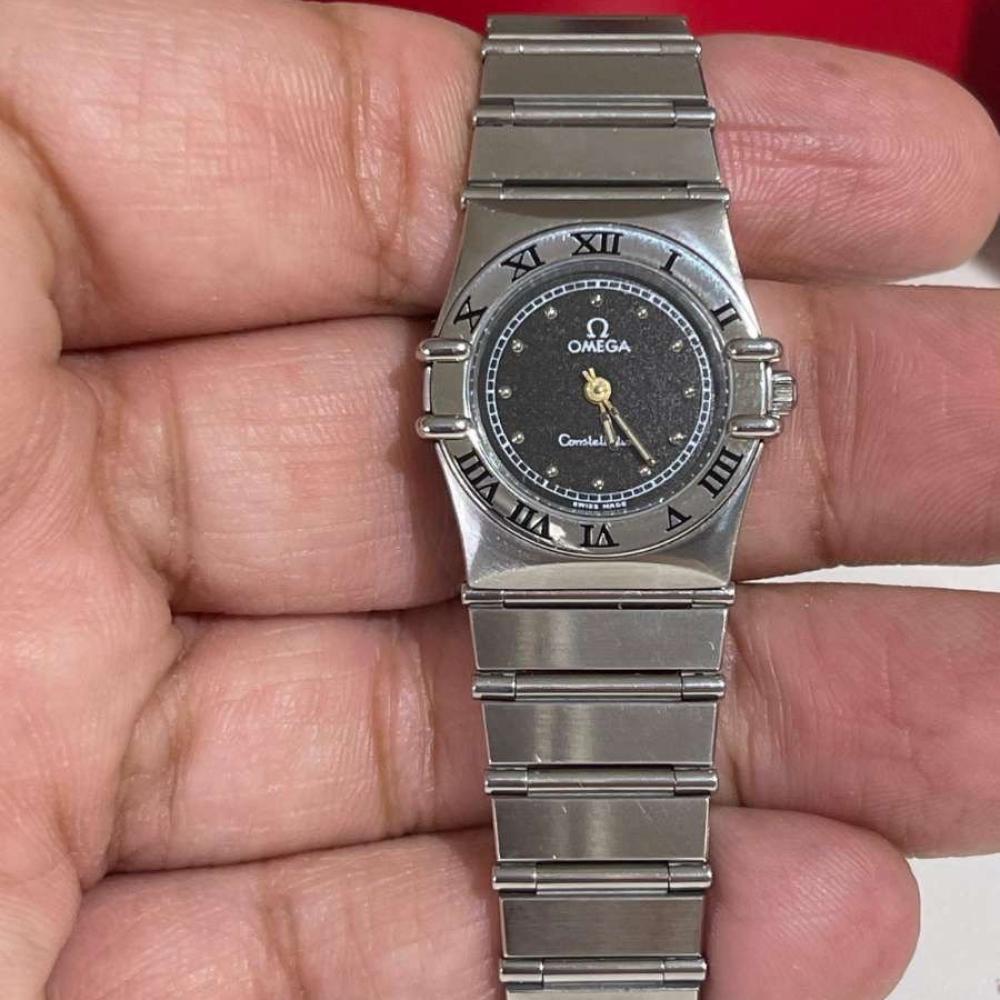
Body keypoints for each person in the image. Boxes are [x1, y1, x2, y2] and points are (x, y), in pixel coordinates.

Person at [0, 1, 998, 997]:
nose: (598, 388)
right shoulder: (545, 364)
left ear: (755, 392)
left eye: (604, 383)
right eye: (589, 383)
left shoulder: (643, 355)